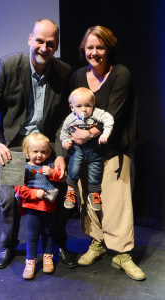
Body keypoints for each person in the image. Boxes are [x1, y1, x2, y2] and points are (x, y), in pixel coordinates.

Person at [0, 19, 78, 269]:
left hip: (47, 145)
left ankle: (57, 243)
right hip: (14, 144)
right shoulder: (8, 64)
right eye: (40, 41)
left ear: (56, 46)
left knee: (64, 191)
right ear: (30, 39)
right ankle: (9, 245)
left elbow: (64, 119)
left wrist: (61, 153)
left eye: (50, 43)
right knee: (10, 200)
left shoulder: (63, 71)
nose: (44, 47)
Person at [70, 25, 146, 280]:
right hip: (85, 154)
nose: (95, 52)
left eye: (100, 47)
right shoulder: (79, 76)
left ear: (109, 49)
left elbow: (114, 113)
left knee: (117, 204)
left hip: (114, 149)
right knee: (89, 199)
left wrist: (87, 134)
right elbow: (71, 112)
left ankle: (122, 254)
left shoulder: (120, 74)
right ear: (84, 49)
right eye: (90, 47)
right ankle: (97, 243)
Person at [15, 133, 61, 280]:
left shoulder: (50, 165)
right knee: (32, 236)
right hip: (31, 207)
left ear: (48, 152)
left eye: (43, 152)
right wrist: (35, 193)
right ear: (27, 153)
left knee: (47, 233)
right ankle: (30, 261)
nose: (40, 155)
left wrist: (53, 173)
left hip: (48, 207)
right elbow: (18, 188)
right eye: (35, 151)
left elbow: (61, 177)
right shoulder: (25, 167)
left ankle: (48, 257)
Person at [60, 87, 114, 211]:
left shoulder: (96, 113)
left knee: (96, 167)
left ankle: (94, 193)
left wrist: (105, 133)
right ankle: (71, 190)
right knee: (74, 166)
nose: (83, 109)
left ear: (93, 104)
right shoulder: (70, 118)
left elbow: (108, 119)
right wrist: (65, 141)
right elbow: (64, 132)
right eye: (79, 106)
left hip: (93, 148)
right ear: (72, 107)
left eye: (87, 105)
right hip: (77, 148)